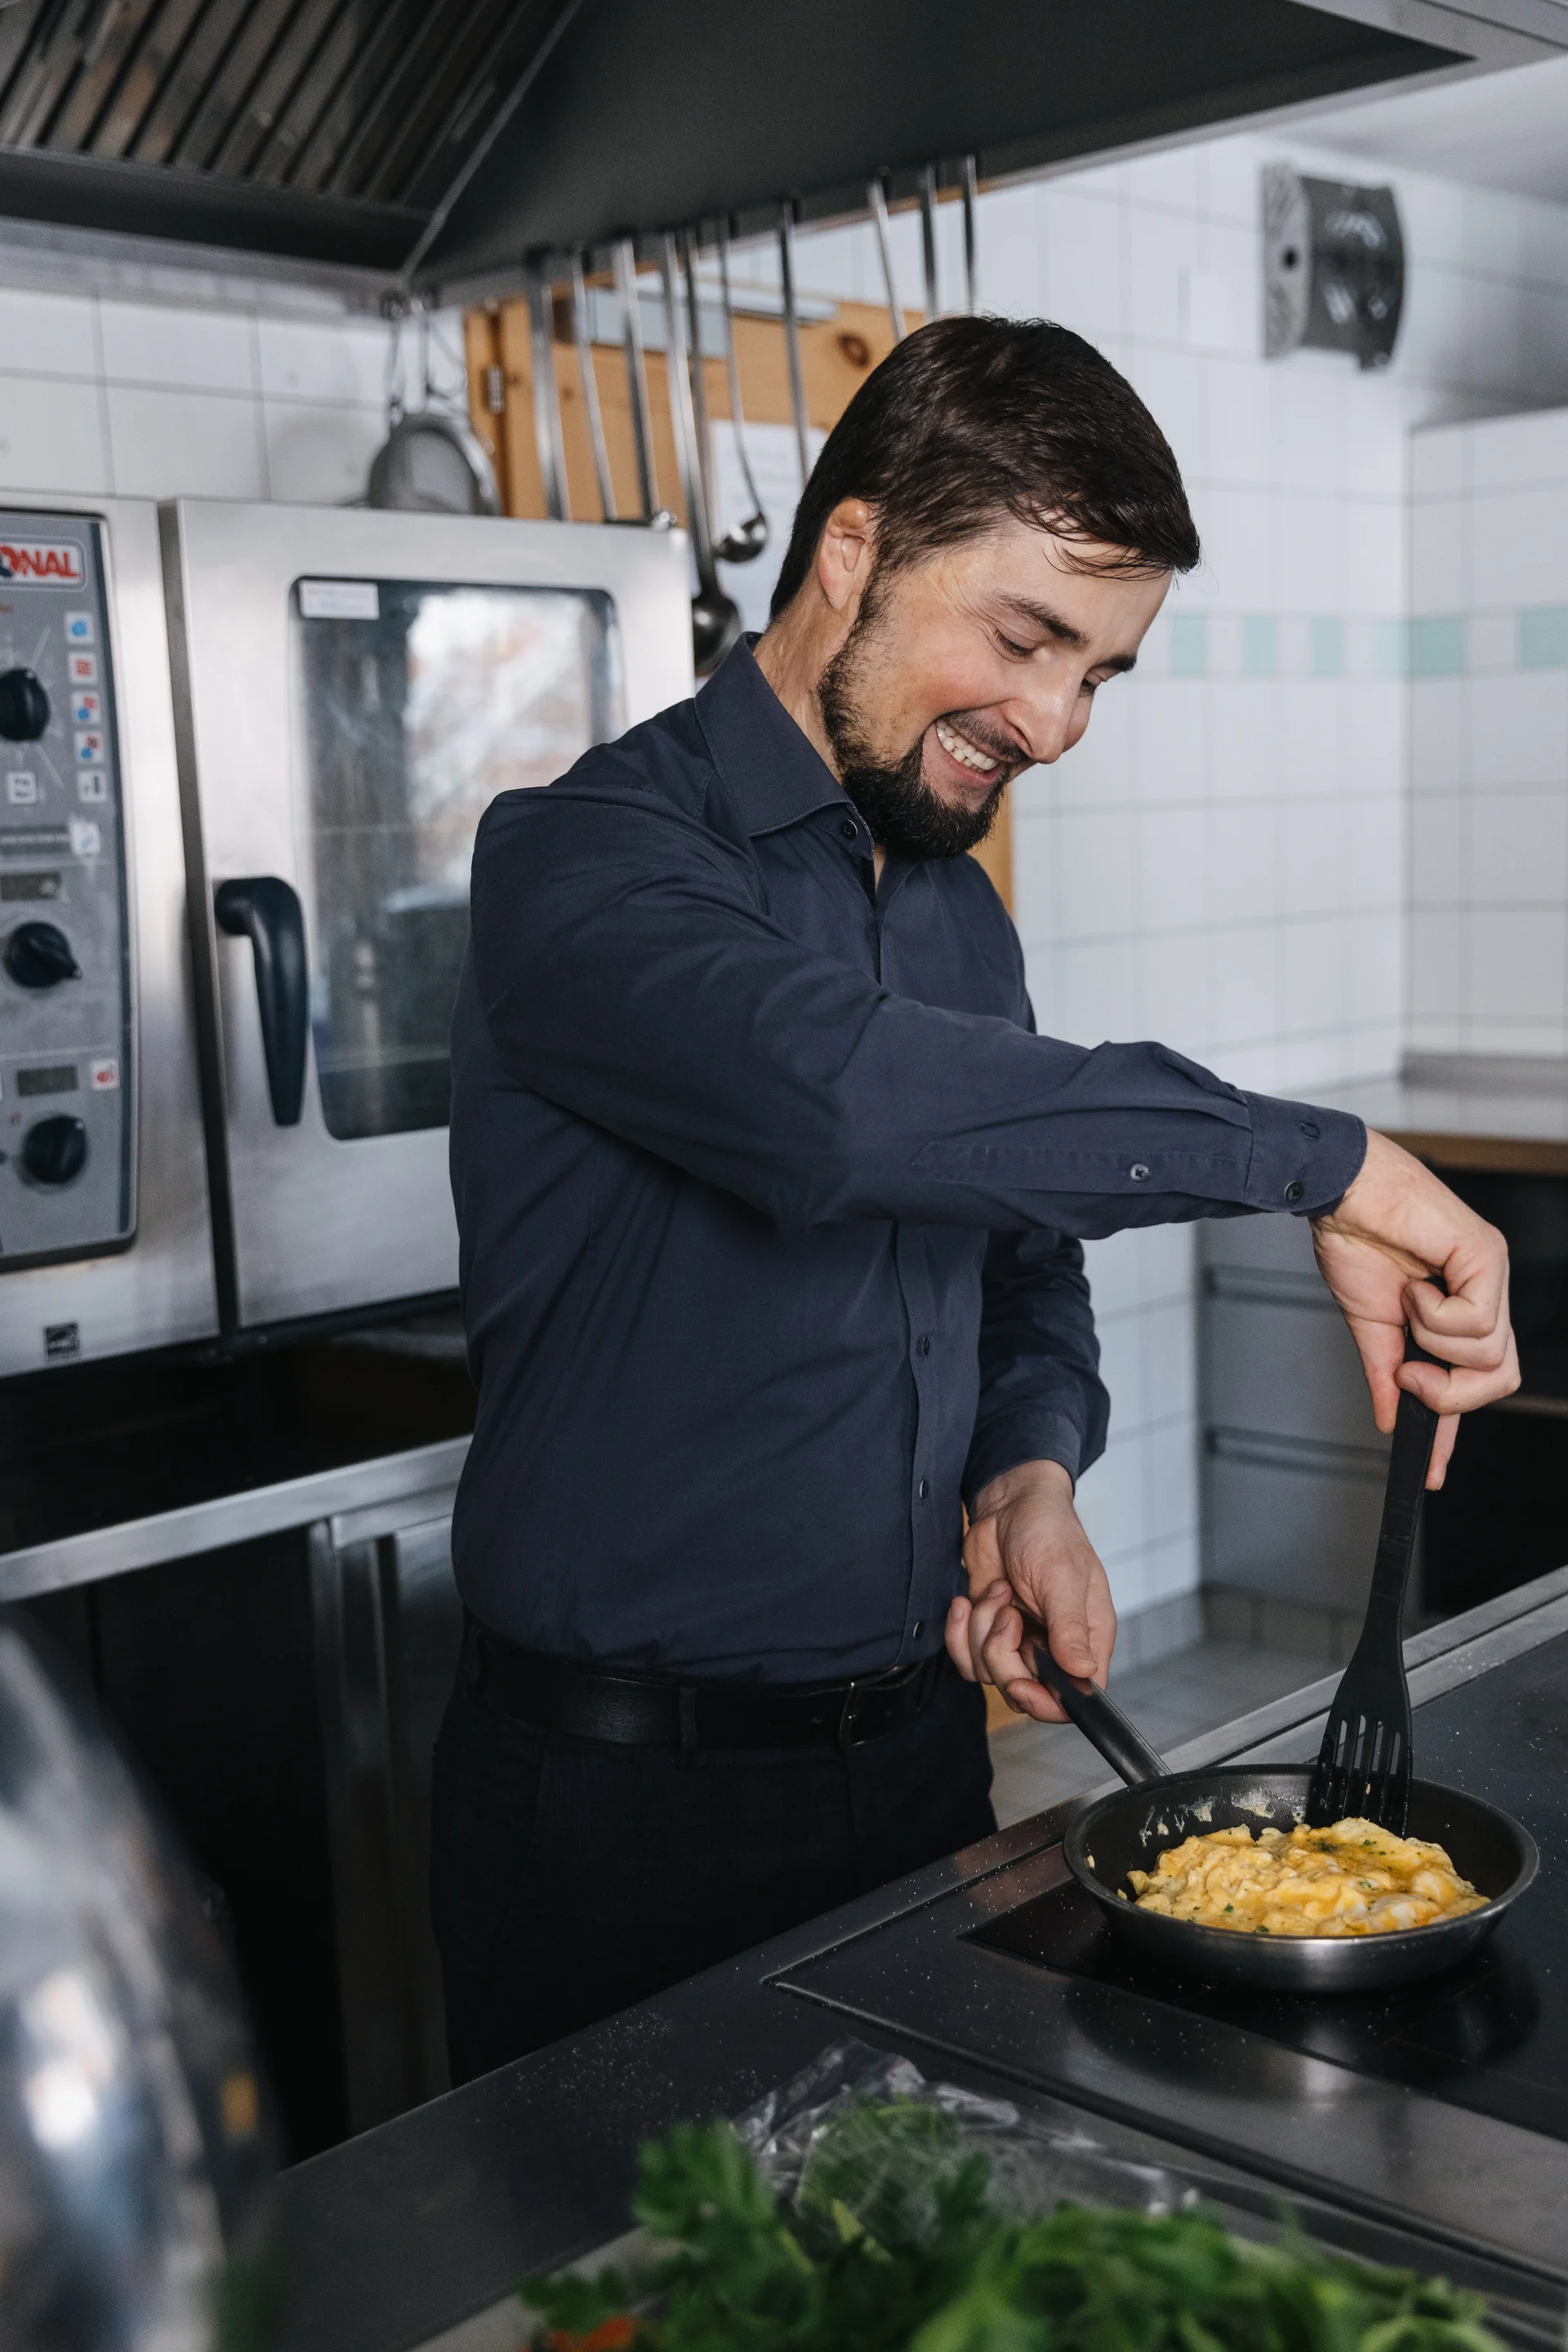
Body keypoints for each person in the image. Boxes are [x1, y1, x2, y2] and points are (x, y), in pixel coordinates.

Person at [434, 316, 1517, 2084]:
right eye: (1026, 640)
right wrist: (1324, 1161)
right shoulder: (584, 862)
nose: (1057, 724)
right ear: (851, 549)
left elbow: (1013, 1248)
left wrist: (1027, 1473)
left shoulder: (952, 908)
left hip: (921, 1771)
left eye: (1102, 674)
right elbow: (847, 1111)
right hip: (614, 1814)